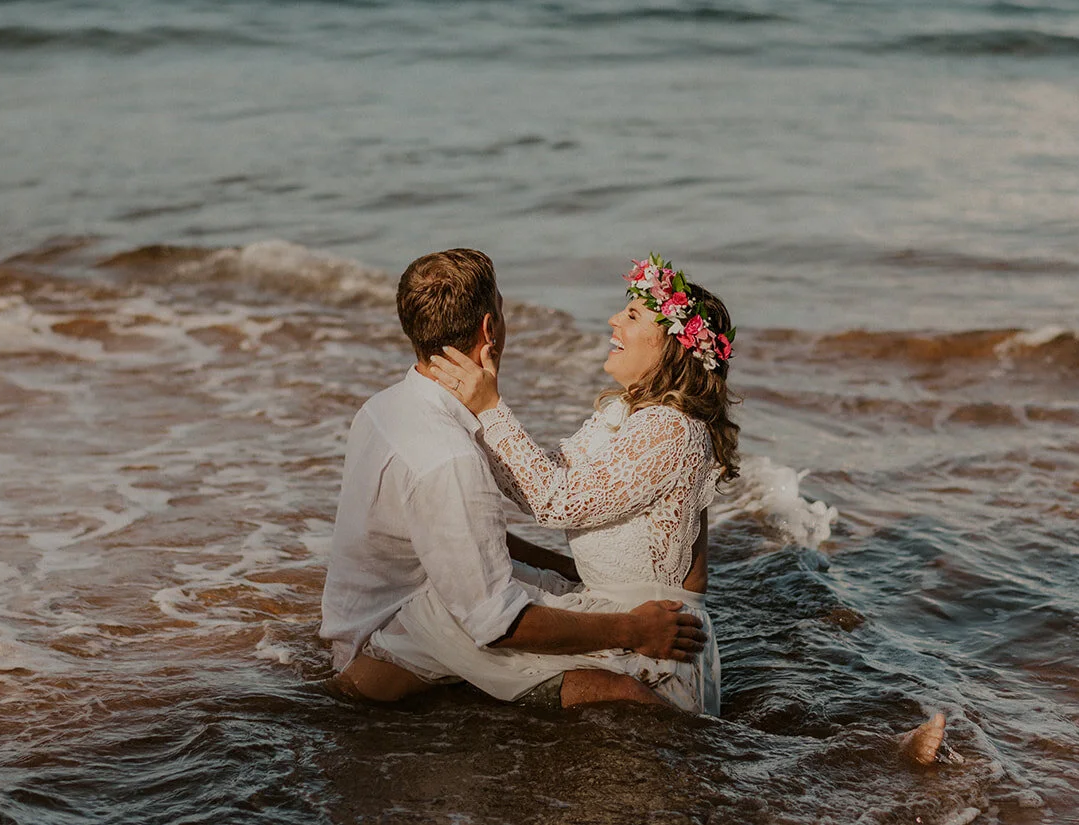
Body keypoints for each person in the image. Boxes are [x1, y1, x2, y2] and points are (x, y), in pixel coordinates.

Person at [430, 254, 957, 757]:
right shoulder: (625, 415)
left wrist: (491, 406)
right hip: (616, 610)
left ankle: (880, 752)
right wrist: (466, 417)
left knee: (452, 624)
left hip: (654, 640)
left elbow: (558, 501)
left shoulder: (672, 430)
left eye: (633, 314)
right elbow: (535, 482)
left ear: (671, 349)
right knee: (458, 605)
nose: (614, 319)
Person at [319, 248, 708, 709]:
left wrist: (567, 572)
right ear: (490, 329)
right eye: (502, 307)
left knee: (544, 594)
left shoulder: (382, 409)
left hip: (362, 613)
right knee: (616, 691)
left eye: (632, 314)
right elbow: (498, 621)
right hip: (389, 623)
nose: (612, 320)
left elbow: (480, 535)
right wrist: (633, 628)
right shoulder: (451, 459)